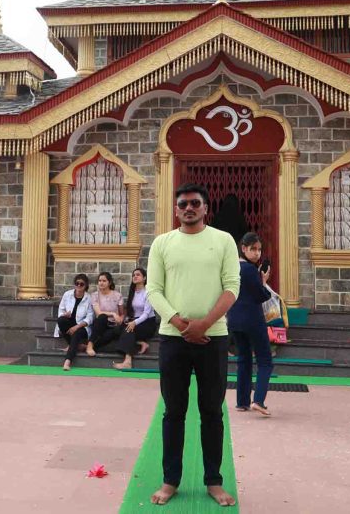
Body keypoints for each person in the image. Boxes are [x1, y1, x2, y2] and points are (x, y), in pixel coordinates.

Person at [146, 183, 240, 507]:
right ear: (176, 209)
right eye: (183, 203)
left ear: (205, 207)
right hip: (174, 340)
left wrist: (203, 324)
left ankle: (213, 481)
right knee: (174, 412)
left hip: (213, 339)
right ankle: (171, 479)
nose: (189, 208)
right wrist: (183, 325)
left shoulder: (223, 241)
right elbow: (153, 291)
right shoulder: (162, 243)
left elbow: (232, 288)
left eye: (195, 203)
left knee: (212, 412)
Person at [227, 232, 275, 417]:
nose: (257, 253)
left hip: (235, 319)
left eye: (259, 249)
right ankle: (259, 401)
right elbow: (260, 295)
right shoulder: (249, 270)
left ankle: (242, 402)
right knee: (265, 361)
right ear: (243, 248)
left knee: (243, 359)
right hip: (253, 320)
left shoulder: (231, 267)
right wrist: (263, 283)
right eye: (253, 249)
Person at [113, 267, 158, 370]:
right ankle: (141, 343)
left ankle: (128, 361)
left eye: (138, 275)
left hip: (147, 323)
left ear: (144, 278)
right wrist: (125, 320)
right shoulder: (132, 292)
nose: (135, 276)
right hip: (135, 320)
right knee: (116, 330)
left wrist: (134, 323)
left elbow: (146, 313)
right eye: (133, 275)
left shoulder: (148, 292)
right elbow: (131, 311)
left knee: (129, 330)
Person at [55, 274, 94, 371]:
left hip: (82, 326)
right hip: (69, 323)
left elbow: (90, 317)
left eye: (82, 284)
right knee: (61, 320)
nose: (79, 286)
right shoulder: (67, 295)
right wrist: (65, 314)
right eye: (77, 283)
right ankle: (76, 345)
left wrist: (77, 327)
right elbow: (61, 310)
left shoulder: (89, 298)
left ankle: (67, 361)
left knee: (76, 333)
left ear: (86, 286)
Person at [85, 272, 124, 357]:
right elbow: (98, 313)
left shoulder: (117, 295)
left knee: (114, 332)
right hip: (100, 324)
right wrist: (113, 313)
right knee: (102, 317)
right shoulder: (94, 295)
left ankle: (92, 347)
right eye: (99, 281)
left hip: (113, 325)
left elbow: (122, 314)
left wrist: (120, 319)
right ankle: (90, 344)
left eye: (104, 281)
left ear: (109, 282)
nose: (101, 283)